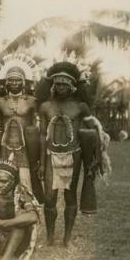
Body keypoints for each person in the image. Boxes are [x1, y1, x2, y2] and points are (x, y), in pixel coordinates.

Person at [37, 61, 94, 246]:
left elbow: (92, 133)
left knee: (70, 197)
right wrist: (41, 161)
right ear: (53, 85)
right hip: (50, 155)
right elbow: (42, 136)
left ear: (72, 86)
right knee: (49, 198)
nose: (61, 87)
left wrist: (93, 159)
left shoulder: (80, 107)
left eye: (64, 84)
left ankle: (67, 237)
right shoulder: (46, 107)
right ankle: (50, 236)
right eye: (58, 83)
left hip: (73, 155)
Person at [0, 53, 44, 202]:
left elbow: (37, 129)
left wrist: (37, 155)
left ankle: (28, 209)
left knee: (26, 181)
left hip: (26, 148)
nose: (14, 83)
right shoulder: (0, 102)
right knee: (5, 179)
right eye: (11, 80)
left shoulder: (32, 101)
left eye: (17, 80)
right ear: (5, 83)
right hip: (5, 147)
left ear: (24, 82)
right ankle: (6, 211)